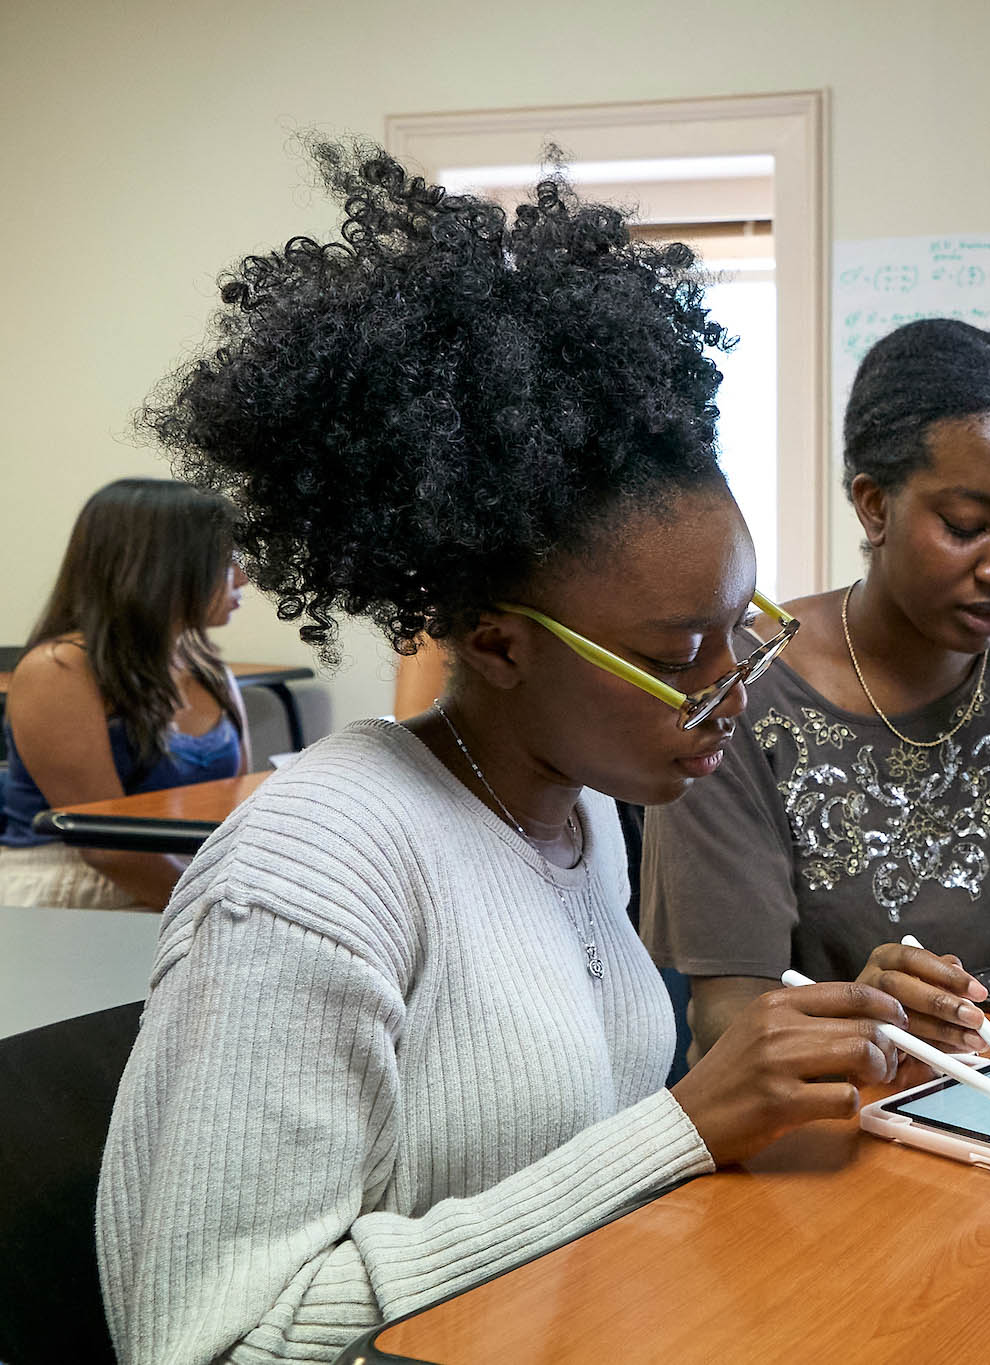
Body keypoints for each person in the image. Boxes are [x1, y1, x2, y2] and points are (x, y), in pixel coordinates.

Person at [101, 143, 917, 1365]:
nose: (728, 693)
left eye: (737, 628)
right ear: (496, 643)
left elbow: (561, 1156)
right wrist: (681, 1129)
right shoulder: (306, 880)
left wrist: (819, 1039)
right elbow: (212, 1345)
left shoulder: (576, 813)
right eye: (678, 653)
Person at [642, 319, 990, 1063]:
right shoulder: (741, 696)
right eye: (967, 526)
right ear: (874, 505)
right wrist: (869, 1023)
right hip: (837, 1109)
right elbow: (727, 1017)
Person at [0, 479, 249, 909]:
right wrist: (212, 909)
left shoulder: (210, 669)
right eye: (225, 561)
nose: (242, 576)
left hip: (180, 877)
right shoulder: (58, 669)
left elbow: (239, 812)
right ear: (163, 568)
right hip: (69, 885)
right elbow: (105, 847)